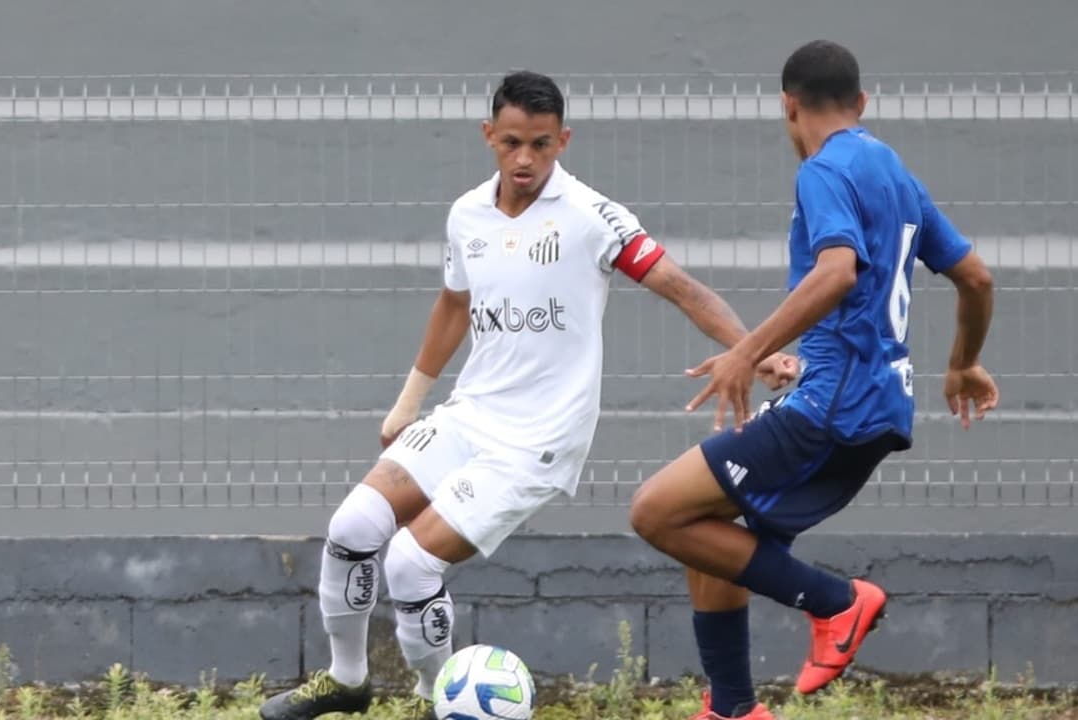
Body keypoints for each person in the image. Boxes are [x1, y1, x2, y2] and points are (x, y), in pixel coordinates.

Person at [259, 69, 796, 720]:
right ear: (489, 135)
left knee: (408, 566)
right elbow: (454, 307)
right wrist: (409, 401)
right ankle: (348, 681)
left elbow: (682, 288)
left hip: (538, 441)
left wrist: (754, 351)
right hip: (469, 415)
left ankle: (438, 701)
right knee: (351, 528)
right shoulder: (467, 216)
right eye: (512, 142)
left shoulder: (594, 219)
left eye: (541, 144)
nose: (525, 159)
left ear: (562, 141)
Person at [629, 40, 1000, 720]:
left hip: (830, 407)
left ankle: (840, 604)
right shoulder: (893, 171)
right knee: (707, 525)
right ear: (860, 103)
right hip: (880, 407)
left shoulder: (824, 171)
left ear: (788, 106)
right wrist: (963, 361)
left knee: (654, 510)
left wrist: (748, 351)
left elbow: (837, 273)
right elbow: (975, 277)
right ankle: (734, 710)